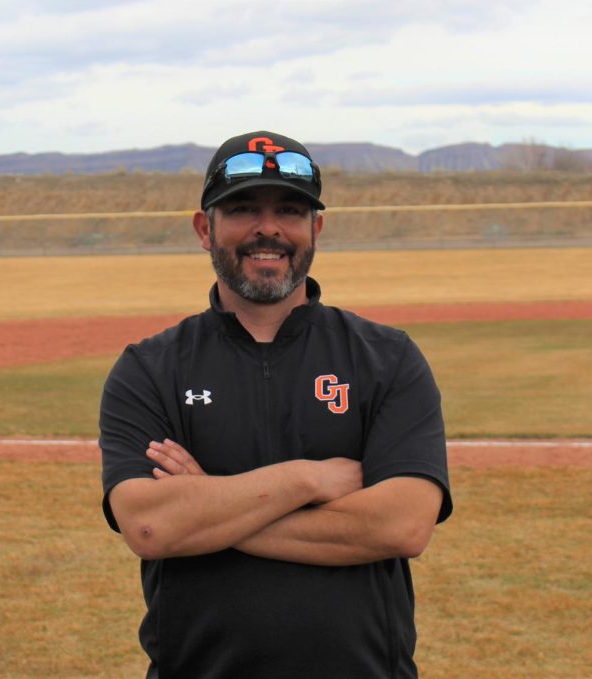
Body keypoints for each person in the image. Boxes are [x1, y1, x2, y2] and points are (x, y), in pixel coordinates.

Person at [100, 130, 453, 679]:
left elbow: (402, 526)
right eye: (243, 209)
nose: (268, 228)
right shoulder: (150, 368)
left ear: (316, 228)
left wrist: (204, 509)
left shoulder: (387, 359)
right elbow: (149, 528)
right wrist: (306, 481)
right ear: (204, 228)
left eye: (289, 210)